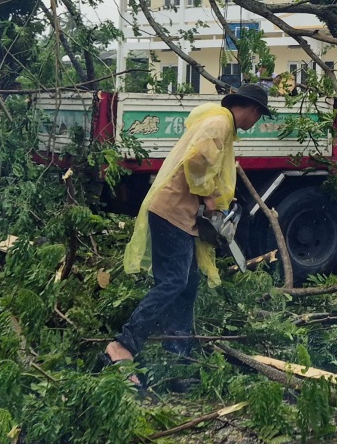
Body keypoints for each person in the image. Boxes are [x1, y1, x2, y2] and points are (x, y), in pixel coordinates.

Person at [102, 83, 273, 389]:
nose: (255, 123)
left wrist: (219, 200)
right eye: (259, 116)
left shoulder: (218, 121)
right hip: (172, 212)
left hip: (180, 215)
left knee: (187, 287)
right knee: (174, 282)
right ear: (253, 110)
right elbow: (197, 163)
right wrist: (208, 197)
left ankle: (176, 360)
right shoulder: (219, 122)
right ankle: (122, 346)